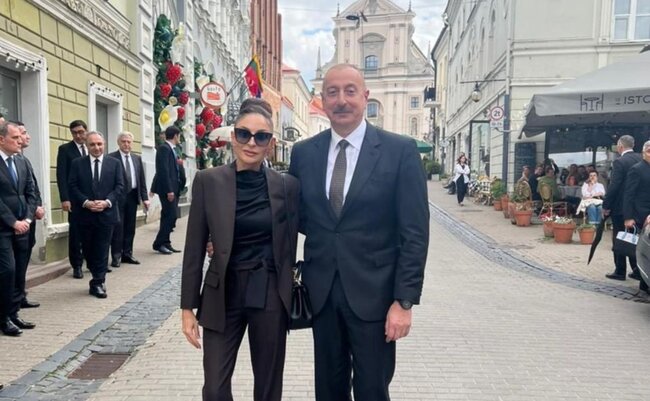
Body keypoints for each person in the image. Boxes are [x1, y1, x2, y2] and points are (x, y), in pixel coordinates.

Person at [288, 64, 429, 400]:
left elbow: (414, 233)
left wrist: (404, 301)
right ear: (323, 100)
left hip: (376, 298)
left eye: (350, 91)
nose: (341, 100)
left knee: (372, 390)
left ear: (365, 97)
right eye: (332, 92)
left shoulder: (400, 152)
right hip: (322, 295)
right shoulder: (304, 154)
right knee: (328, 390)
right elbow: (293, 219)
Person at [181, 98, 299, 401]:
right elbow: (194, 248)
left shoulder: (287, 187)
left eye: (261, 136)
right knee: (215, 388)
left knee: (268, 386)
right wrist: (187, 308)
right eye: (244, 134)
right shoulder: (208, 181)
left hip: (269, 291)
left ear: (270, 143)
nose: (251, 143)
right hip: (223, 291)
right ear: (233, 137)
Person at [68, 132, 124, 298]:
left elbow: (120, 186)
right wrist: (86, 202)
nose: (96, 147)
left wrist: (107, 202)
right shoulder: (77, 164)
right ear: (86, 145)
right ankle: (96, 274)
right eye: (92, 144)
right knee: (88, 250)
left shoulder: (114, 163)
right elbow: (72, 186)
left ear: (104, 144)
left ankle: (98, 281)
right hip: (85, 215)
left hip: (107, 214)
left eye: (99, 144)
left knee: (102, 248)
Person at [0, 122, 38, 336]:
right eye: (15, 138)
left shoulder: (22, 161)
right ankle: (3, 317)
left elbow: (31, 192)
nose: (20, 141)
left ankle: (14, 313)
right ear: (1, 140)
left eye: (19, 137)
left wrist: (28, 219)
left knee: (19, 272)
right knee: (7, 270)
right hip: (3, 229)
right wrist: (13, 222)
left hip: (23, 227)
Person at [602, 135, 643, 281]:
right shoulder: (641, 159)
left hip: (620, 207)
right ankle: (637, 270)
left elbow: (614, 186)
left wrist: (606, 205)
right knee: (635, 238)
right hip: (638, 208)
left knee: (619, 238)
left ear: (620, 146)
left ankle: (620, 271)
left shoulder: (620, 162)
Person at [108, 132, 150, 267]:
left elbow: (141, 179)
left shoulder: (136, 158)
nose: (126, 144)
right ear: (118, 143)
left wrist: (145, 198)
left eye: (129, 142)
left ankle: (127, 254)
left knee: (130, 227)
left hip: (132, 196)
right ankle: (116, 256)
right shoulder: (111, 158)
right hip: (118, 198)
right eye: (123, 141)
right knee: (118, 227)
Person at [15, 122, 45, 310]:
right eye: (23, 133)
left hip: (28, 217)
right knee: (15, 262)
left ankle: (20, 295)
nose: (27, 136)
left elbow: (32, 188)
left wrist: (37, 206)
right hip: (17, 220)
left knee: (23, 258)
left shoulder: (23, 159)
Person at [56, 120, 88, 279]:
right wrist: (65, 198)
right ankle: (77, 265)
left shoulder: (92, 147)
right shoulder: (65, 150)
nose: (78, 135)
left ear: (86, 131)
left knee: (92, 232)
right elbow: (61, 176)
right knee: (76, 234)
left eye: (81, 132)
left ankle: (92, 262)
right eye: (75, 133)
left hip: (92, 199)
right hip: (74, 200)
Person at [151, 126, 184, 255]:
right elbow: (163, 171)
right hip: (168, 190)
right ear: (175, 135)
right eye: (179, 136)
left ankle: (166, 242)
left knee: (168, 216)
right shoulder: (164, 149)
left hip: (174, 188)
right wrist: (169, 190)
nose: (179, 138)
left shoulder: (172, 150)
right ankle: (158, 243)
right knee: (171, 216)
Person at [623, 140, 650, 292]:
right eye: (649, 151)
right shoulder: (637, 169)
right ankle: (643, 283)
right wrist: (628, 217)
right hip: (640, 214)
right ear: (643, 153)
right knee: (643, 249)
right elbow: (629, 194)